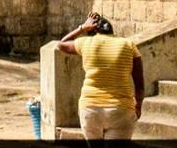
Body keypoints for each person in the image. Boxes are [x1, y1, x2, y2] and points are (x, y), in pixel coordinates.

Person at [55, 11, 143, 141]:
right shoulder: (128, 45)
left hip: (90, 109)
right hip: (121, 110)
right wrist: (138, 106)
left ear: (94, 31)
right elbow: (139, 83)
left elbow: (61, 44)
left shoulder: (86, 43)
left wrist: (82, 28)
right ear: (112, 31)